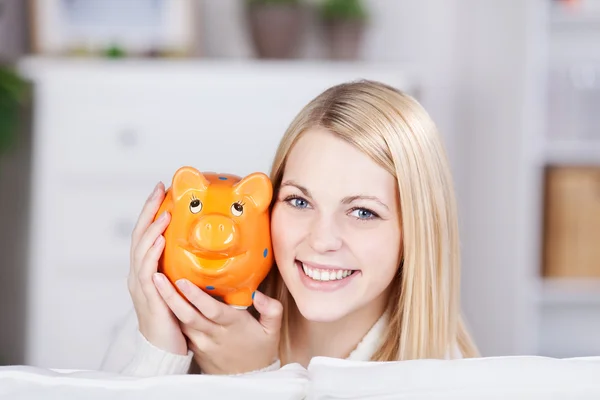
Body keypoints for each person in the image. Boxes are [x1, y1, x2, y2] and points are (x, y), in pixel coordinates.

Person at [100, 80, 480, 377]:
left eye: (363, 212)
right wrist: (159, 355)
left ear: (416, 234)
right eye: (300, 202)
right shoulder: (177, 315)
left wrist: (252, 380)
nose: (322, 240)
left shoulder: (444, 371)